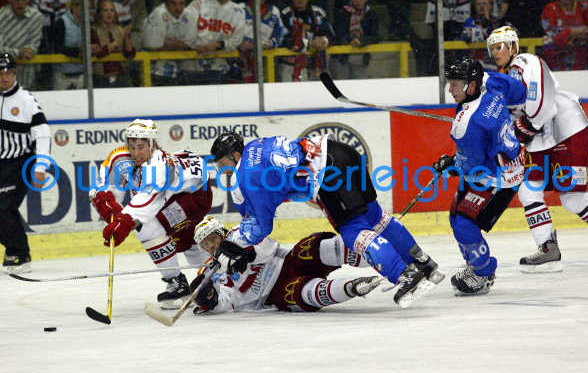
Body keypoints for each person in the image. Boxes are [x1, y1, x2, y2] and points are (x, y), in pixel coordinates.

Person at [207, 132, 445, 309]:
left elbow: (261, 225)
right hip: (342, 152)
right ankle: (423, 263)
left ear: (235, 155)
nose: (221, 170)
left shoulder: (247, 176)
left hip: (327, 173)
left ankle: (404, 275)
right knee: (375, 217)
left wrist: (233, 244)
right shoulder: (256, 146)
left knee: (353, 231)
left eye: (222, 164)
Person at [487, 25, 588, 273]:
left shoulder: (527, 62)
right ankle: (548, 249)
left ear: (513, 46)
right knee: (528, 190)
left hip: (567, 131)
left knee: (573, 199)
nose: (495, 52)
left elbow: (542, 108)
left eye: (499, 47)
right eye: (492, 49)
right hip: (542, 139)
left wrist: (523, 128)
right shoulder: (505, 80)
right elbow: (512, 120)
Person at [89, 119, 213, 309]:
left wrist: (123, 221)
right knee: (180, 236)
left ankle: (181, 283)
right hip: (172, 196)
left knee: (147, 226)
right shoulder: (120, 158)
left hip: (195, 196)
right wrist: (107, 205)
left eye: (141, 147)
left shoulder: (159, 165)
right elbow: (102, 186)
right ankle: (209, 275)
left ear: (152, 144)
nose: (136, 153)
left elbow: (148, 201)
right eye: (132, 147)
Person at [435, 56, 527, 295]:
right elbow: (518, 91)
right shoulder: (490, 82)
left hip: (499, 176)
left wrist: (450, 165)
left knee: (464, 225)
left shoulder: (466, 124)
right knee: (455, 215)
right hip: (499, 161)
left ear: (471, 85)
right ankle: (474, 264)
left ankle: (483, 273)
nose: (450, 90)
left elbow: (472, 166)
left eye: (455, 84)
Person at [189, 216, 382, 313]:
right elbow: (229, 303)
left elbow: (268, 246)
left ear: (222, 232)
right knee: (299, 293)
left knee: (312, 247)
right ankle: (351, 287)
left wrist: (249, 254)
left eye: (212, 238)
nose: (211, 246)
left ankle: (378, 255)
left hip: (287, 263)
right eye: (205, 244)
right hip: (274, 294)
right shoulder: (209, 272)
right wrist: (210, 300)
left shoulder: (241, 233)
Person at [0, 53, 50, 274]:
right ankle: (15, 250)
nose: (4, 77)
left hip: (21, 162)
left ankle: (20, 254)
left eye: (9, 72)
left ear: (15, 73)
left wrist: (41, 167)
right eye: (0, 73)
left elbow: (43, 134)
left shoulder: (26, 100)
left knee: (4, 207)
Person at [181, 0, 245, 85]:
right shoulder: (199, 3)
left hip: (220, 65)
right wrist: (193, 44)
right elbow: (183, 26)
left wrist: (219, 45)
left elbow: (237, 39)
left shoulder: (238, 11)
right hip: (193, 62)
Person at [280, 0, 333, 82]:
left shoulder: (318, 12)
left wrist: (324, 40)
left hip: (317, 65)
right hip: (291, 64)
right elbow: (285, 40)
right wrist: (310, 43)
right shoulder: (285, 14)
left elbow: (331, 34)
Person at [142, 0, 194, 87]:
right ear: (166, 2)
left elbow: (190, 45)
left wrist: (168, 43)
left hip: (178, 64)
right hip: (154, 66)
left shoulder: (188, 14)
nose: (178, 8)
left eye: (181, 3)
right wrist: (179, 45)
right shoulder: (159, 14)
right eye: (173, 3)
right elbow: (153, 47)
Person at [541, 0, 588, 71]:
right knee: (548, 40)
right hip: (556, 57)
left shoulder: (585, 7)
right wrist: (572, 32)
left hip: (583, 56)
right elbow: (550, 31)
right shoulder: (550, 8)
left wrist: (586, 32)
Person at [238, 0, 285, 83]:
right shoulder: (239, 9)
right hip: (241, 64)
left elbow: (280, 36)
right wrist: (240, 43)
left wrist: (265, 44)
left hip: (265, 64)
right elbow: (229, 35)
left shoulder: (274, 11)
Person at [0, 0, 43, 90]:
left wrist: (30, 50)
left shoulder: (36, 17)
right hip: (3, 73)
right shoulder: (1, 17)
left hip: (28, 73)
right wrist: (19, 53)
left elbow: (34, 45)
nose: (20, 3)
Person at [333, 0, 380, 80]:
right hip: (342, 57)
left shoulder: (372, 14)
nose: (358, 1)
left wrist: (361, 41)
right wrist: (350, 40)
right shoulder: (343, 13)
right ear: (351, 0)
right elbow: (338, 33)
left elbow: (376, 36)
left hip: (361, 57)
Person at [91, 0, 136, 87]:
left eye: (112, 10)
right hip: (101, 79)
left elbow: (130, 54)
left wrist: (126, 36)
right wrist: (119, 39)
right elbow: (99, 53)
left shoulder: (120, 29)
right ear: (100, 13)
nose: (109, 13)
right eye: (105, 10)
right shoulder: (93, 30)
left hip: (121, 78)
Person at [53, 0, 85, 90]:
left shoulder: (87, 23)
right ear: (74, 6)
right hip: (63, 75)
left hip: (82, 74)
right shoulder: (61, 22)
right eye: (81, 6)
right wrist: (76, 52)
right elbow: (57, 47)